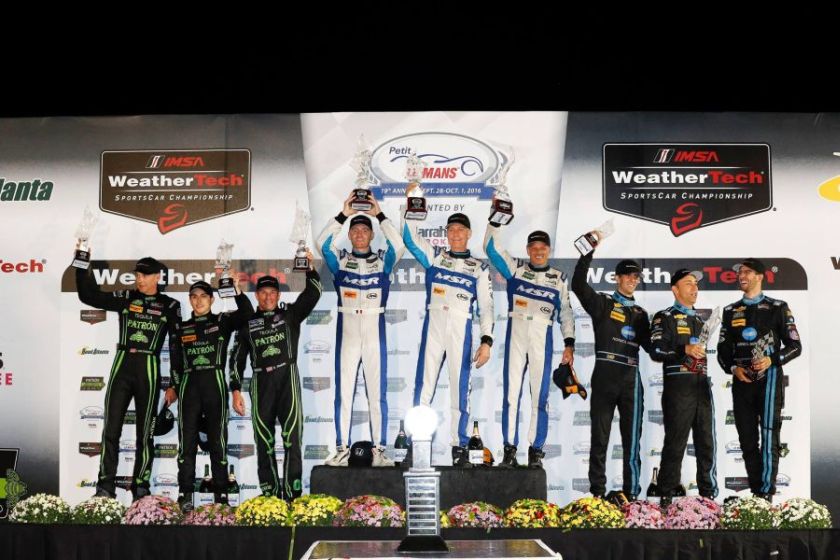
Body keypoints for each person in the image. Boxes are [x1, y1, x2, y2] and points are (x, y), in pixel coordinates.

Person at [75, 252, 182, 501]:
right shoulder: (126, 297)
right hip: (122, 365)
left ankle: (141, 488)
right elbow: (88, 296)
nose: (139, 279)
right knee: (111, 429)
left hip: (149, 367)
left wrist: (175, 382)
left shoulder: (170, 305)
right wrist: (81, 263)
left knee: (144, 434)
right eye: (136, 275)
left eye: (144, 275)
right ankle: (104, 487)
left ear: (157, 276)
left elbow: (177, 347)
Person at [317, 194, 405, 467]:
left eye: (364, 230)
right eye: (354, 230)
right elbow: (322, 244)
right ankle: (342, 448)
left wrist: (380, 214)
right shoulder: (340, 261)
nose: (358, 234)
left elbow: (399, 245)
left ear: (371, 235)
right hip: (348, 332)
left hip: (374, 329)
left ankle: (379, 450)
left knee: (376, 394)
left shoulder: (383, 261)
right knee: (344, 393)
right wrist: (342, 215)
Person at [402, 209, 493, 467]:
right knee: (424, 386)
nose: (455, 234)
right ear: (446, 234)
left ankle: (459, 446)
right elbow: (409, 237)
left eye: (461, 230)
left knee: (459, 388)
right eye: (451, 230)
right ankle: (415, 443)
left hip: (460, 326)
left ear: (469, 234)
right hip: (434, 323)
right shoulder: (434, 257)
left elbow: (487, 307)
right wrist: (411, 204)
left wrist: (486, 340)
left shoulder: (479, 267)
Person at [229, 254, 321, 499]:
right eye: (263, 293)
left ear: (279, 295)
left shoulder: (290, 315)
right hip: (260, 382)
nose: (268, 297)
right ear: (256, 296)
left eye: (272, 292)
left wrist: (310, 269)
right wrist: (235, 390)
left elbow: (313, 294)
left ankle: (292, 494)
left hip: (287, 377)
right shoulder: (248, 323)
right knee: (264, 441)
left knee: (292, 439)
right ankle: (270, 496)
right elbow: (237, 358)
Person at [484, 223, 574, 468]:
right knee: (511, 396)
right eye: (533, 247)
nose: (538, 252)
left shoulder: (559, 278)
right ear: (527, 250)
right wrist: (495, 221)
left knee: (540, 397)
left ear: (549, 250)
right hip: (517, 333)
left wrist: (569, 343)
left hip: (542, 337)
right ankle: (509, 450)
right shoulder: (515, 269)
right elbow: (490, 249)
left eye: (542, 247)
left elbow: (566, 312)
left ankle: (535, 451)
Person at [717, 258, 802, 502]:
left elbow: (796, 346)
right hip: (742, 380)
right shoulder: (730, 311)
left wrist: (772, 360)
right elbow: (723, 349)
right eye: (739, 272)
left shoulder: (778, 307)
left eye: (747, 271)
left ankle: (766, 492)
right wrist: (733, 368)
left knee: (768, 434)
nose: (741, 275)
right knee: (746, 438)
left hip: (769, 379)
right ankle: (756, 491)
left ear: (760, 276)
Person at [572, 247, 651, 500]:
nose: (632, 280)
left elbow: (654, 348)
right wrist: (587, 254)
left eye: (636, 277)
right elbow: (578, 285)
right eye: (627, 276)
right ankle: (597, 494)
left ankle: (632, 496)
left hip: (631, 377)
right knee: (600, 438)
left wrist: (680, 346)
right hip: (606, 373)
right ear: (617, 278)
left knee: (632, 442)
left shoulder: (641, 314)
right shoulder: (604, 303)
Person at [175, 273, 253, 511]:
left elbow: (248, 314)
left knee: (218, 443)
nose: (198, 301)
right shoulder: (182, 327)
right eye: (194, 297)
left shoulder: (221, 321)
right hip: (189, 384)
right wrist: (175, 387)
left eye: (203, 297)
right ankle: (185, 494)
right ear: (189, 300)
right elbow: (176, 363)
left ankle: (221, 495)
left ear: (212, 300)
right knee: (186, 444)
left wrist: (236, 291)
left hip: (214, 382)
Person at [650, 269, 717, 502]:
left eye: (696, 284)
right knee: (675, 445)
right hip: (678, 389)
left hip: (701, 387)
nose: (694, 287)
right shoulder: (664, 317)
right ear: (675, 289)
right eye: (688, 283)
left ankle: (708, 498)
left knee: (706, 444)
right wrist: (683, 349)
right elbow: (656, 350)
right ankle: (666, 499)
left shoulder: (701, 321)